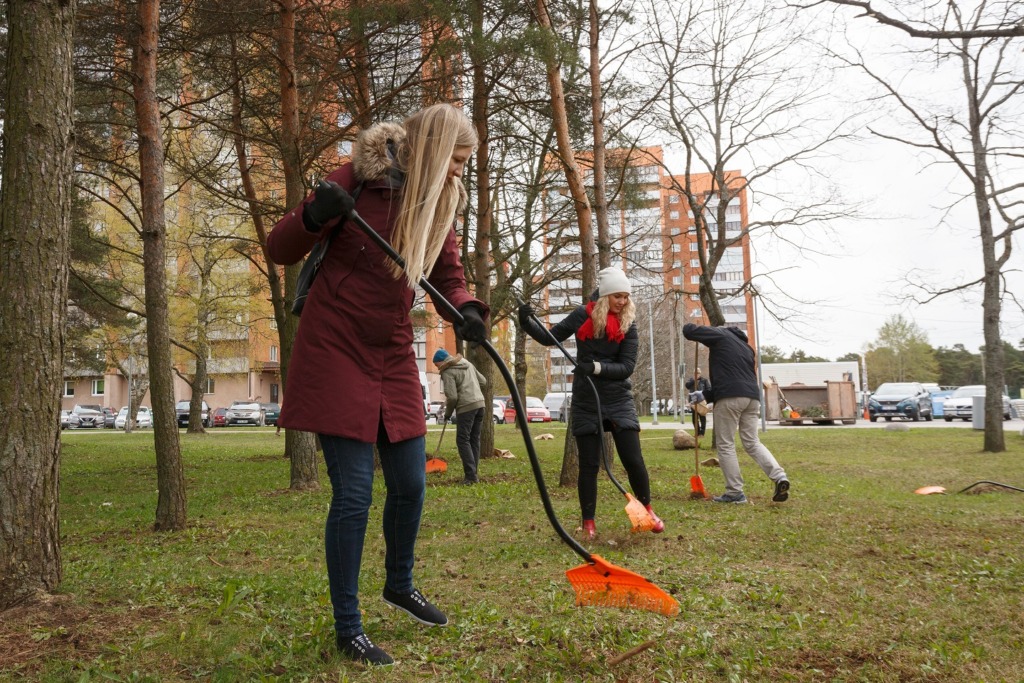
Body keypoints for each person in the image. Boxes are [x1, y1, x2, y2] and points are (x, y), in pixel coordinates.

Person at [267, 103, 488, 666]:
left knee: (411, 483)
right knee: (355, 494)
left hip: (391, 349)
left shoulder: (440, 203)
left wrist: (467, 309)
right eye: (458, 160)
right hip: (335, 344)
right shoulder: (357, 178)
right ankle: (349, 626)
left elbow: (448, 275)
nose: (462, 171)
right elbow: (279, 248)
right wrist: (316, 213)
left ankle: (399, 582)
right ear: (437, 151)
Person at [518, 267, 665, 538]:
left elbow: (627, 367)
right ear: (605, 295)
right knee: (588, 464)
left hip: (618, 396)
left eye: (626, 297)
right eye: (618, 296)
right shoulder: (581, 315)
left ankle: (648, 509)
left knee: (633, 459)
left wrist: (596, 367)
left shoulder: (628, 324)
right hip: (587, 398)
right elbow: (549, 339)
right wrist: (526, 322)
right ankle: (588, 524)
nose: (623, 302)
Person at [682, 323, 790, 504]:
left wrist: (695, 326)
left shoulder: (722, 335)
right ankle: (779, 476)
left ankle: (735, 493)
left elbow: (689, 330)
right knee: (752, 442)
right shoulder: (747, 349)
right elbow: (733, 377)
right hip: (752, 397)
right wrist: (704, 395)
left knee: (725, 444)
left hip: (730, 398)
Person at [433, 348, 487, 484]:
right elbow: (483, 381)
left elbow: (452, 397)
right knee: (474, 439)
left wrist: (447, 414)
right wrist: (470, 387)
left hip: (466, 407)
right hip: (480, 405)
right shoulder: (466, 362)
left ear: (441, 362)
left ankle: (470, 476)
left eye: (436, 365)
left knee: (462, 440)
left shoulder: (447, 371)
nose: (436, 368)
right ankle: (474, 474)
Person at [685, 368, 712, 436]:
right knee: (694, 419)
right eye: (695, 374)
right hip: (693, 402)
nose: (696, 375)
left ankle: (702, 433)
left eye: (698, 373)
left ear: (700, 373)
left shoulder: (704, 380)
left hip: (702, 401)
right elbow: (687, 386)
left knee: (702, 417)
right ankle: (697, 432)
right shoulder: (691, 380)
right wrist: (694, 381)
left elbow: (708, 389)